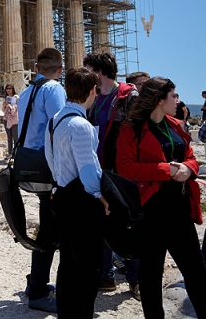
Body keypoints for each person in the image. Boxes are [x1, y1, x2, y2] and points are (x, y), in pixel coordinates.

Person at [116, 77, 206, 318]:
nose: (178, 100)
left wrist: (188, 169)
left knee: (196, 271)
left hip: (179, 209)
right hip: (149, 212)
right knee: (151, 275)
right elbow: (124, 167)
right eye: (173, 96)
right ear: (159, 100)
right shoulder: (131, 128)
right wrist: (166, 171)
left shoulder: (176, 125)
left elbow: (191, 158)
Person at [45, 67, 110, 318]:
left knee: (68, 265)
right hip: (82, 202)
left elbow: (50, 159)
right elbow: (89, 170)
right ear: (92, 91)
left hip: (62, 196)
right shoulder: (81, 125)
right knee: (88, 268)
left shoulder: (55, 120)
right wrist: (101, 197)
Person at [83, 50, 140, 296]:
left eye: (87, 69)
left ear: (98, 71)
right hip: (100, 168)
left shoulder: (129, 96)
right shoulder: (93, 96)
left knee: (128, 224)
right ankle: (105, 276)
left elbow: (138, 133)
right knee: (101, 222)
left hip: (122, 171)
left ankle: (137, 279)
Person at [18, 47, 66, 313]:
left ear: (35, 68)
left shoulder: (27, 92)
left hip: (31, 164)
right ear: (61, 69)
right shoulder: (54, 90)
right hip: (50, 167)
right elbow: (60, 127)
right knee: (51, 229)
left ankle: (35, 283)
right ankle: (37, 289)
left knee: (48, 224)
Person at [2, 84, 19, 155]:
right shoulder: (5, 98)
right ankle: (10, 153)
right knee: (9, 137)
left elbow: (18, 107)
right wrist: (4, 106)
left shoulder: (16, 97)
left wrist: (11, 107)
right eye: (7, 89)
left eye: (10, 88)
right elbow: (3, 111)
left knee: (15, 137)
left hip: (14, 119)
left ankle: (16, 153)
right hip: (6, 119)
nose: (8, 90)